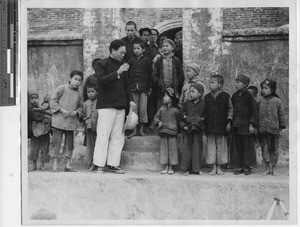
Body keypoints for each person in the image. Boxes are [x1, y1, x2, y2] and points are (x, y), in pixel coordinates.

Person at [93, 39, 136, 174]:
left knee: (118, 136)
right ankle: (99, 165)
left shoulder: (123, 65)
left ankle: (113, 164)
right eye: (121, 52)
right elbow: (101, 81)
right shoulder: (101, 64)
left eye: (124, 53)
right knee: (103, 135)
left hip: (121, 105)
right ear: (113, 50)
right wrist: (118, 72)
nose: (123, 55)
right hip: (106, 105)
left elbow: (127, 85)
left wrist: (131, 100)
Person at [50, 70, 84, 172]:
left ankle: (68, 165)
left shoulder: (79, 93)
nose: (77, 82)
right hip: (59, 120)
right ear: (70, 79)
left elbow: (81, 106)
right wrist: (61, 110)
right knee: (56, 142)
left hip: (71, 122)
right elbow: (53, 101)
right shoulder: (61, 88)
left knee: (69, 144)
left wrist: (76, 112)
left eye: (80, 80)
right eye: (75, 79)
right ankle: (55, 165)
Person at [204, 75, 233, 175]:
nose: (210, 84)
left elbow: (230, 109)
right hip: (210, 126)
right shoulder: (207, 97)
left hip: (222, 126)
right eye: (210, 82)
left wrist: (229, 122)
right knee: (211, 147)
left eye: (212, 83)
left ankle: (220, 167)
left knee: (221, 147)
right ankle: (213, 167)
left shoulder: (226, 96)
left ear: (220, 85)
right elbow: (204, 111)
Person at [230, 74, 257, 175]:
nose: (236, 84)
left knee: (247, 147)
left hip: (246, 126)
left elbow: (254, 111)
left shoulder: (249, 96)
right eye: (235, 82)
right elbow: (231, 110)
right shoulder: (234, 96)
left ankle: (247, 167)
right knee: (238, 147)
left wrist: (251, 124)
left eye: (238, 82)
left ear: (245, 84)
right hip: (236, 126)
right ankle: (239, 166)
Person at [258, 79, 286, 176]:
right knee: (264, 149)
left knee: (273, 149)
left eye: (266, 88)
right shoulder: (259, 100)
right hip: (262, 129)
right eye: (262, 88)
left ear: (272, 89)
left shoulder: (277, 101)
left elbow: (281, 115)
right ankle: (266, 168)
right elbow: (255, 114)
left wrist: (281, 128)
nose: (263, 90)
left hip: (274, 130)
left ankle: (273, 168)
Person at [179, 83, 206, 175]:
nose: (190, 93)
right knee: (187, 149)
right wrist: (183, 125)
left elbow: (206, 116)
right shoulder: (186, 104)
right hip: (187, 130)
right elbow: (180, 114)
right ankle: (186, 169)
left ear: (200, 93)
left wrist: (202, 119)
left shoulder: (203, 104)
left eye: (193, 92)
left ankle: (197, 169)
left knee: (197, 149)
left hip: (198, 131)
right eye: (189, 92)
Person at [127, 40, 152, 137]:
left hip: (144, 88)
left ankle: (141, 130)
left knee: (143, 109)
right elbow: (128, 75)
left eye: (138, 48)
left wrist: (150, 87)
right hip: (133, 88)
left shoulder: (146, 60)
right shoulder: (131, 61)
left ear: (143, 49)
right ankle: (134, 130)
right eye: (134, 48)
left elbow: (150, 74)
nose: (136, 50)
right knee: (134, 109)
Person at [152, 38, 184, 111]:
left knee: (173, 108)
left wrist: (175, 85)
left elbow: (181, 75)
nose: (164, 48)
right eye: (163, 46)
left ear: (172, 47)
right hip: (161, 90)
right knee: (161, 109)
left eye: (167, 46)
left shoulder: (176, 60)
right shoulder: (159, 61)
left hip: (173, 90)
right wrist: (160, 83)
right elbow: (154, 75)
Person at [153, 88, 180, 175]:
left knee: (172, 150)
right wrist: (158, 122)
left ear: (171, 98)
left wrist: (182, 129)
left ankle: (171, 167)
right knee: (164, 150)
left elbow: (180, 121)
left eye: (166, 96)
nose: (163, 98)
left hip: (172, 133)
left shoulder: (176, 110)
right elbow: (156, 117)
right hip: (163, 132)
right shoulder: (161, 109)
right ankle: (166, 166)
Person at [28, 90, 51, 171]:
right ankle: (34, 165)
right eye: (32, 98)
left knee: (45, 148)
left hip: (45, 131)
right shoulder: (29, 109)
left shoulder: (41, 107)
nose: (34, 100)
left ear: (38, 99)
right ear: (29, 99)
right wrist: (43, 118)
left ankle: (42, 165)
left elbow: (49, 114)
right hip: (35, 132)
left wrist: (45, 116)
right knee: (34, 148)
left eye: (36, 98)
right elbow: (34, 115)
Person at [82, 84, 98, 171]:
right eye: (89, 92)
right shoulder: (86, 103)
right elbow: (83, 115)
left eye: (93, 91)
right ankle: (91, 163)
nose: (91, 94)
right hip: (89, 128)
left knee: (98, 145)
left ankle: (97, 163)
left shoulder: (100, 102)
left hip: (98, 128)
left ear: (97, 92)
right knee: (90, 146)